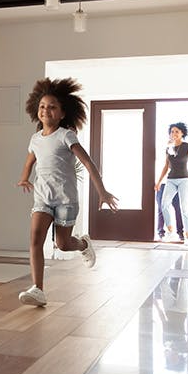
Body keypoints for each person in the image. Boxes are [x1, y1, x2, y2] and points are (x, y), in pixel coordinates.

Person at [17, 77, 118, 306]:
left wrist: (101, 191)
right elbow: (29, 162)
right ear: (37, 110)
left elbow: (89, 163)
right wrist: (24, 178)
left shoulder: (65, 135)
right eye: (42, 107)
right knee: (35, 239)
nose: (46, 111)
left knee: (62, 244)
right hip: (43, 197)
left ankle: (83, 244)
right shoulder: (34, 139)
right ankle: (38, 289)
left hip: (66, 199)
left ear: (62, 113)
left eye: (52, 107)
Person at [154, 122, 188, 243]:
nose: (174, 134)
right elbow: (166, 166)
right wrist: (158, 182)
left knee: (184, 208)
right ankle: (170, 230)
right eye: (172, 131)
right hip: (171, 180)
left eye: (176, 131)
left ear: (182, 133)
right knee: (164, 204)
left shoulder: (187, 146)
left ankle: (187, 235)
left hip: (185, 180)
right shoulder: (168, 148)